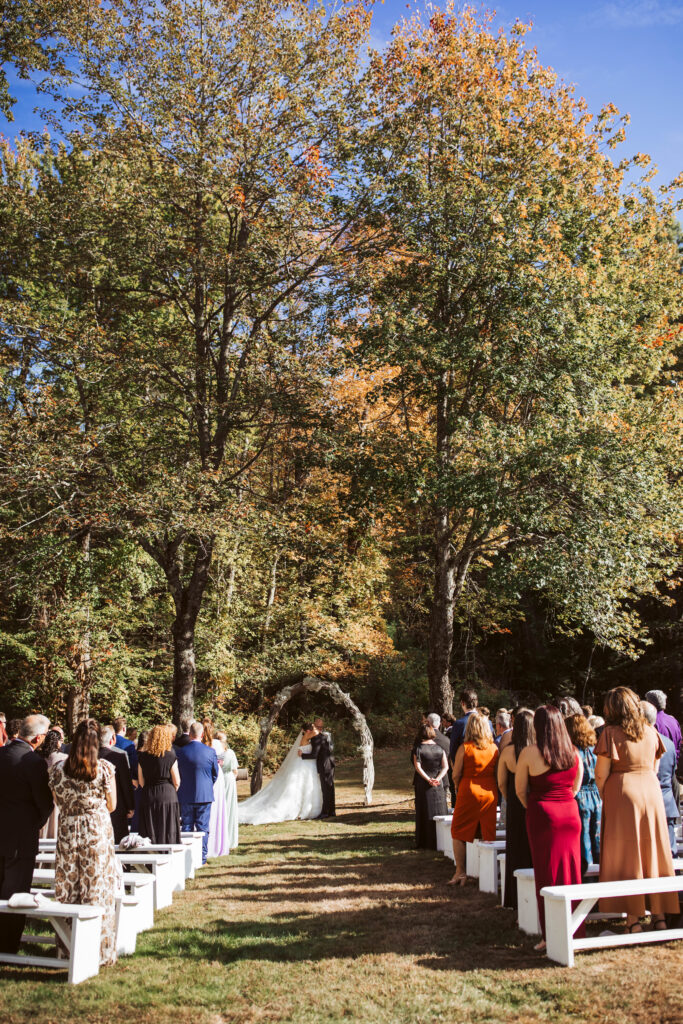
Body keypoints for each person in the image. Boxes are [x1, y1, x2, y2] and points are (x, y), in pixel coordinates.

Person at [595, 687, 679, 932]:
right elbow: (654, 767)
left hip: (623, 791)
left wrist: (608, 794)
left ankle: (632, 920)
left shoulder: (610, 733)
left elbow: (601, 774)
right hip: (651, 793)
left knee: (627, 854)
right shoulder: (651, 732)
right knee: (653, 850)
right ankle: (660, 916)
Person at [49, 718, 119, 966]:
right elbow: (112, 805)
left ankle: (68, 949)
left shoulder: (57, 770)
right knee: (97, 888)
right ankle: (99, 950)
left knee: (69, 887)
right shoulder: (105, 769)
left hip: (69, 830)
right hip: (96, 832)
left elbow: (57, 801)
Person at [516, 705, 583, 952]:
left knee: (546, 872)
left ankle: (550, 935)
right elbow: (576, 787)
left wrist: (537, 807)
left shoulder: (530, 753)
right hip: (570, 815)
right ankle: (576, 929)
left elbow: (520, 790)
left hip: (543, 814)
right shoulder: (574, 752)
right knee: (572, 872)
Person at [0, 714, 52, 954]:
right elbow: (44, 803)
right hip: (20, 837)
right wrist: (37, 823)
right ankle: (8, 946)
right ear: (39, 738)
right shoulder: (33, 762)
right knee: (16, 892)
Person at [449, 711, 499, 886]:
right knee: (487, 831)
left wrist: (457, 786)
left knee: (458, 830)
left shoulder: (465, 747)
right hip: (489, 791)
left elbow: (456, 773)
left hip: (468, 789)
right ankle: (487, 875)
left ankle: (460, 872)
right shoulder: (494, 748)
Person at [238, 724, 323, 825]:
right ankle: (302, 810)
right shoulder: (306, 736)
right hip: (304, 764)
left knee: (308, 786)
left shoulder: (308, 736)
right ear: (307, 731)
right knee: (302, 786)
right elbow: (317, 734)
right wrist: (317, 729)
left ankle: (307, 809)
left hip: (308, 764)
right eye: (311, 729)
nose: (314, 730)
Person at [497, 709, 535, 911]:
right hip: (533, 801)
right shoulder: (539, 751)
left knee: (515, 846)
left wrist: (511, 798)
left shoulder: (508, 752)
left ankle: (514, 896)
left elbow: (501, 783)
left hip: (514, 804)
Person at [176, 721, 218, 863]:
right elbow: (214, 773)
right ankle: (201, 857)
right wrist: (207, 785)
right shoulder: (210, 751)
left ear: (191, 734)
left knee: (186, 826)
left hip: (185, 794)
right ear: (201, 734)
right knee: (203, 827)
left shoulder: (181, 752)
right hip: (204, 794)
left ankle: (186, 857)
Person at [641, 701, 678, 856]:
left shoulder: (640, 743)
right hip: (667, 802)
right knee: (670, 853)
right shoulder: (668, 743)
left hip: (647, 802)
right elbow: (673, 773)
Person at [566, 714, 601, 872]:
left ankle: (586, 875)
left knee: (583, 839)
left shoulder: (572, 752)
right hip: (597, 795)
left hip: (580, 794)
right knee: (597, 837)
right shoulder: (596, 749)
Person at [138, 724, 181, 844]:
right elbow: (176, 781)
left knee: (150, 829)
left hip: (149, 794)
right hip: (167, 794)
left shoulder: (143, 756)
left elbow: (141, 781)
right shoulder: (171, 755)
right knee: (168, 828)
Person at [412, 723, 448, 849]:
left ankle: (424, 841)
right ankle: (441, 840)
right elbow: (445, 767)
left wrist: (428, 779)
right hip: (438, 783)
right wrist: (437, 779)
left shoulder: (418, 748)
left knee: (424, 809)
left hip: (424, 783)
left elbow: (418, 767)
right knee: (439, 809)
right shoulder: (440, 748)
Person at [99, 724, 135, 843]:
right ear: (112, 739)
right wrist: (130, 806)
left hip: (98, 806)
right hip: (117, 806)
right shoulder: (119, 757)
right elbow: (126, 784)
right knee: (119, 841)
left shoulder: (91, 757)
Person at [299, 716, 336, 819]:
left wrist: (302, 755)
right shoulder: (321, 736)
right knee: (330, 787)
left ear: (308, 731)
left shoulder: (316, 739)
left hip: (325, 765)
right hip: (330, 763)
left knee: (326, 789)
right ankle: (331, 811)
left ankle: (325, 813)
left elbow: (314, 755)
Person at [203, 720, 230, 857]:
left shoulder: (200, 743)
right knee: (217, 808)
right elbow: (222, 762)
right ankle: (217, 844)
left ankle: (205, 844)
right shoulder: (217, 744)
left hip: (204, 776)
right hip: (216, 776)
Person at [38, 729, 68, 840]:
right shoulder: (64, 758)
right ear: (58, 742)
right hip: (58, 796)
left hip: (42, 796)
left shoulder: (38, 758)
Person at [644, 689, 681, 763]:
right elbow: (679, 743)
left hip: (658, 765)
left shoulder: (651, 722)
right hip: (672, 763)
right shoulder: (673, 720)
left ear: (650, 703)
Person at [216, 730, 239, 850]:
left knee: (220, 808)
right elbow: (235, 771)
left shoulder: (213, 752)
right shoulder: (230, 753)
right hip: (228, 779)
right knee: (229, 808)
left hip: (217, 780)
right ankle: (230, 840)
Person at [113, 716, 138, 783]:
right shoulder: (129, 744)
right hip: (124, 779)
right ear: (124, 728)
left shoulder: (109, 741)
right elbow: (133, 764)